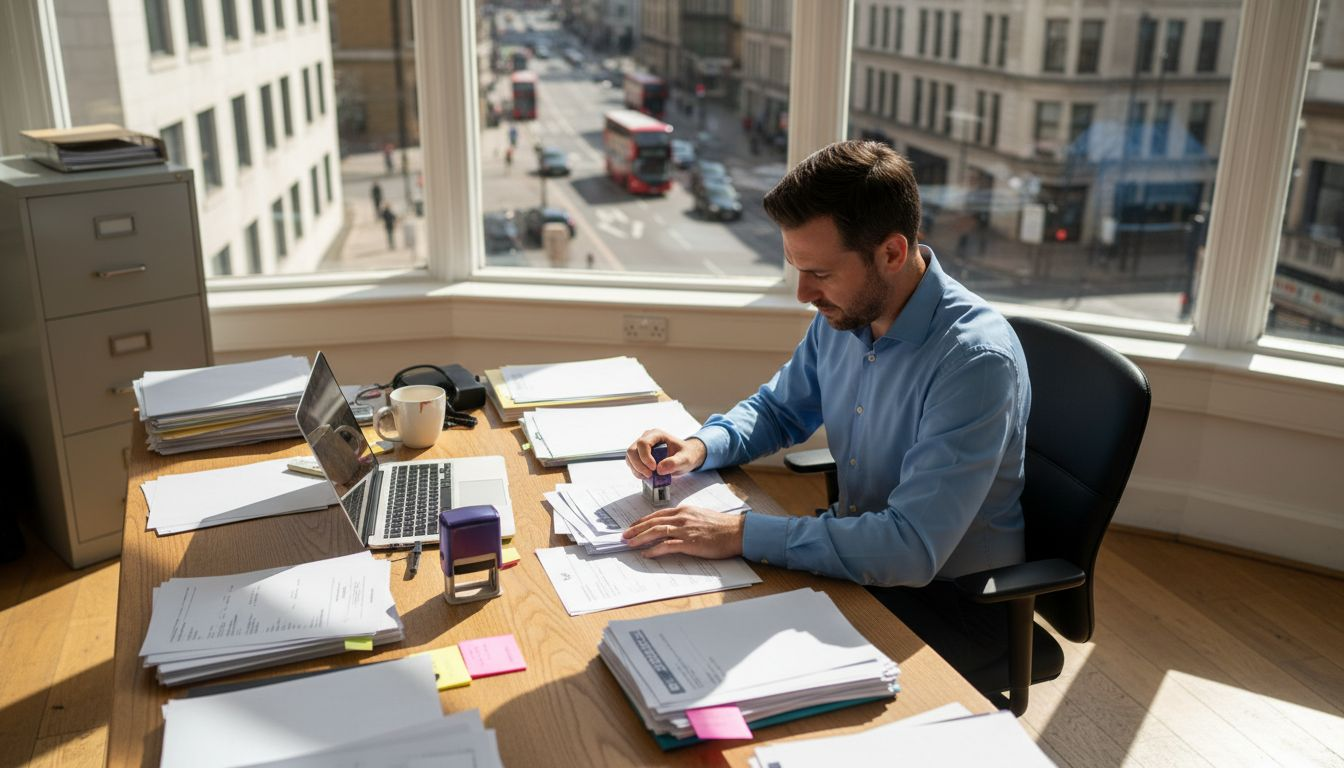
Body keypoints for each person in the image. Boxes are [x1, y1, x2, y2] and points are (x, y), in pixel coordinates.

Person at [622, 140, 1031, 668]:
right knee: (673, 627)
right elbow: (778, 410)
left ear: (891, 254)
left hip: (948, 601)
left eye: (820, 273)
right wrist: (701, 446)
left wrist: (740, 533)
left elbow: (909, 549)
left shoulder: (974, 362)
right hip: (860, 560)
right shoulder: (847, 312)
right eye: (796, 267)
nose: (802, 293)